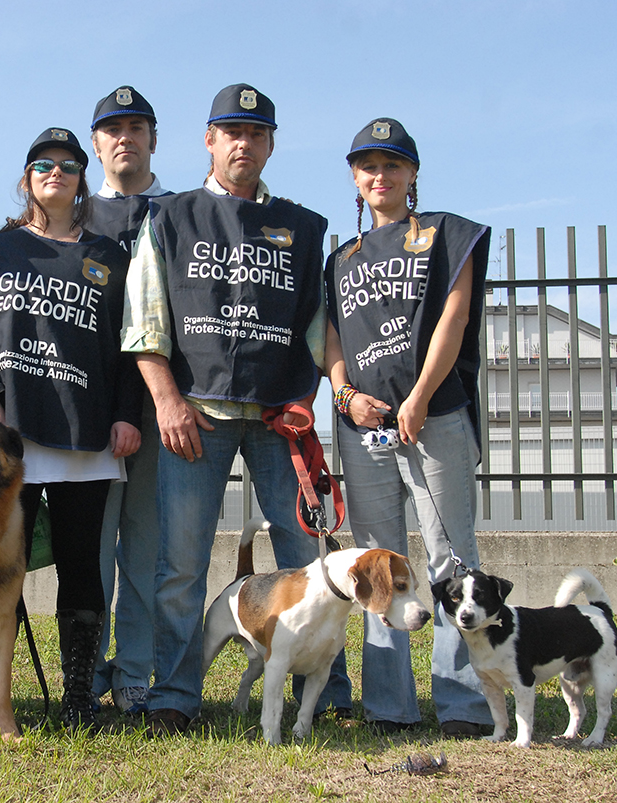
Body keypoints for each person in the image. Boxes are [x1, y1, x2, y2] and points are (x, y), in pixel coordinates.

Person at [121, 84, 351, 736]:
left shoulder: (302, 227)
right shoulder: (171, 217)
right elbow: (144, 321)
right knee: (181, 566)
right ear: (209, 140)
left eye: (256, 133)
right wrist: (166, 400)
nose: (243, 143)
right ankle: (174, 694)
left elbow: (317, 327)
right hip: (196, 417)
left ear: (271, 144)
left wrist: (308, 402)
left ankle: (327, 693)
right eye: (231, 132)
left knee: (311, 558)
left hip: (281, 421)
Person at [0, 127, 142, 732]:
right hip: (10, 441)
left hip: (86, 438)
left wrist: (126, 414)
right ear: (26, 178)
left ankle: (79, 697)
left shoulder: (111, 257)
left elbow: (132, 345)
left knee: (81, 565)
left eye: (68, 165)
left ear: (82, 180)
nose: (55, 172)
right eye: (42, 164)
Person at [323, 118, 492, 737]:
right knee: (376, 567)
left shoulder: (447, 233)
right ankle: (388, 706)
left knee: (452, 557)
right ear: (354, 177)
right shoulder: (341, 258)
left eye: (392, 164)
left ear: (412, 173)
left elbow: (455, 315)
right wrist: (344, 394)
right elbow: (330, 336)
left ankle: (464, 704)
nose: (380, 175)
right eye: (368, 165)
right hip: (363, 429)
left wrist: (419, 396)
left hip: (434, 416)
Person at [86, 86, 172, 716]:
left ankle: (135, 670)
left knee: (144, 549)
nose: (125, 138)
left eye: (136, 127)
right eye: (113, 129)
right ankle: (86, 671)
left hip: (158, 405)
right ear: (96, 145)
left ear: (153, 139)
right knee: (91, 551)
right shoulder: (74, 213)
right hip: (90, 408)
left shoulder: (181, 211)